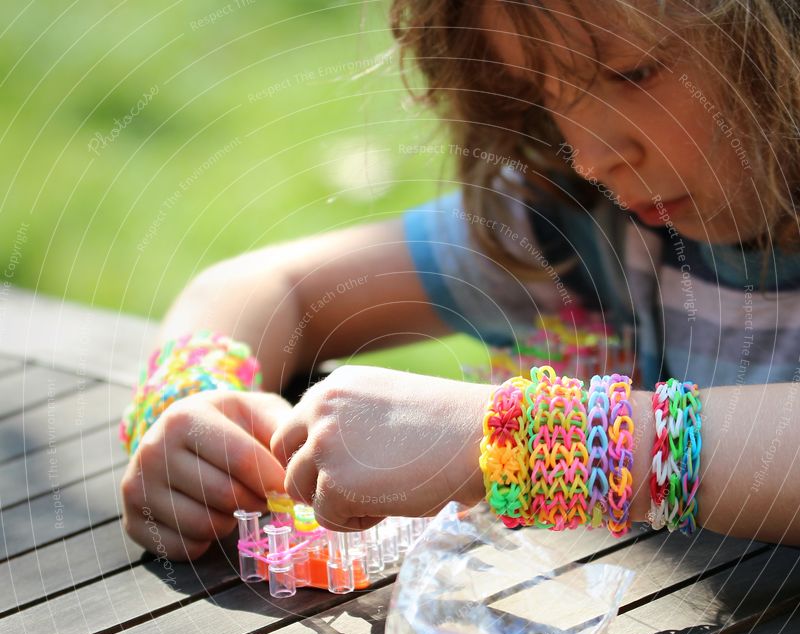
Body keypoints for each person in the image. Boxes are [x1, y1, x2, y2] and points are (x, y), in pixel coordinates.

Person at [119, 0, 800, 559]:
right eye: (548, 91)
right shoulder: (582, 218)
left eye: (634, 73)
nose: (591, 154)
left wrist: (507, 440)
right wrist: (195, 415)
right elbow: (268, 284)